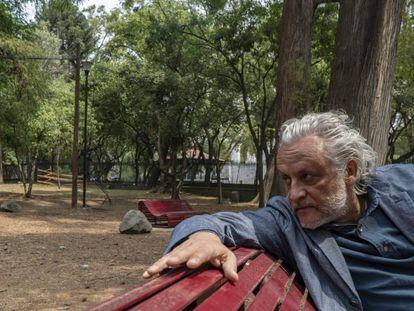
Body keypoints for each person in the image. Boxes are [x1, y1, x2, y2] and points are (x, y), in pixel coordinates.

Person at [143, 111, 414, 311]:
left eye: (308, 176)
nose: (294, 193)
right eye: (287, 179)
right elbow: (221, 223)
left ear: (350, 171)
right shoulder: (286, 221)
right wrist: (204, 236)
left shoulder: (403, 183)